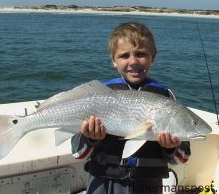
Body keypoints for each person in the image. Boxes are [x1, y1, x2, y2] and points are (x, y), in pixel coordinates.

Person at [71, 22, 191, 194]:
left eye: (141, 54)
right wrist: (89, 138)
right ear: (113, 60)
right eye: (124, 55)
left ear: (153, 56)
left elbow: (183, 157)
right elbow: (78, 154)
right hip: (103, 182)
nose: (133, 61)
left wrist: (171, 147)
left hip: (148, 184)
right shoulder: (99, 95)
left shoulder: (165, 97)